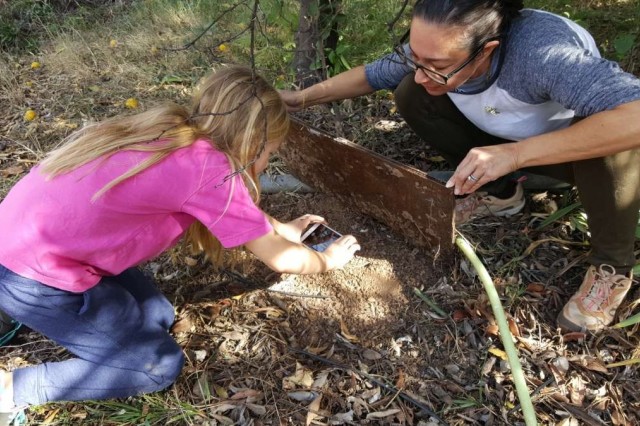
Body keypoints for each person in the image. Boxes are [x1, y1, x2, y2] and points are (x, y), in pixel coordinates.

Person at [0, 65, 360, 424]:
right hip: (32, 277)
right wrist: (327, 260)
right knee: (157, 367)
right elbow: (281, 260)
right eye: (270, 153)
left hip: (29, 244)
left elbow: (236, 211)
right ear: (252, 144)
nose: (266, 164)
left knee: (159, 315)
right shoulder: (211, 172)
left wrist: (284, 228)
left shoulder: (174, 129)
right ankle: (12, 390)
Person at [279, 0, 640, 333]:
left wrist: (516, 155)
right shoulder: (439, 43)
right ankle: (502, 193)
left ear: (487, 50)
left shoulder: (541, 53)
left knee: (615, 145)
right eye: (417, 57)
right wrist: (301, 98)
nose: (423, 71)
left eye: (437, 66)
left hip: (569, 158)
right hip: (504, 143)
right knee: (411, 91)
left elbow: (633, 116)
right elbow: (372, 75)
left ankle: (612, 266)